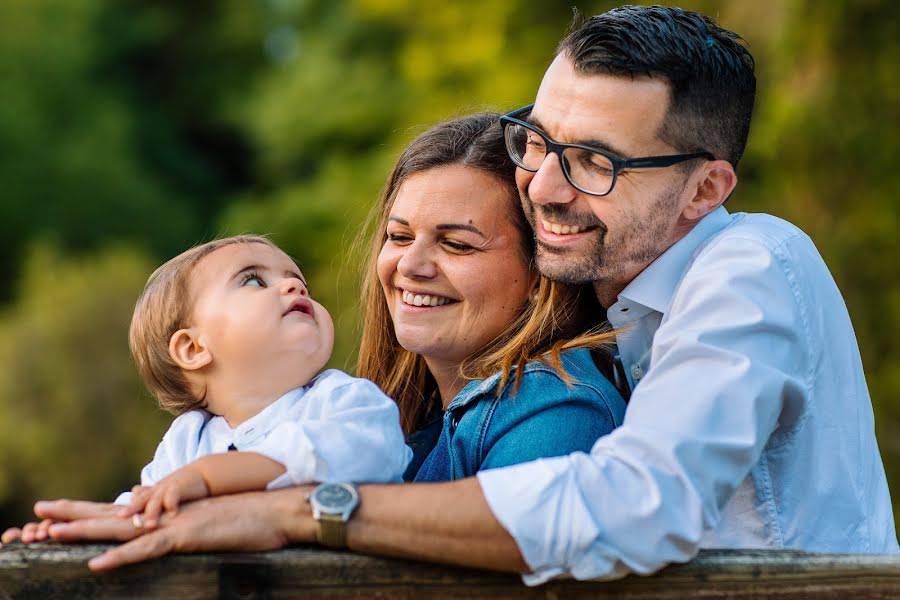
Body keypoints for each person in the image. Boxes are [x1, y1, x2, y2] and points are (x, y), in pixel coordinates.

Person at [5, 5, 897, 582]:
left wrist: (293, 509)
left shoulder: (748, 270)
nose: (544, 186)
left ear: (706, 190)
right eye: (539, 141)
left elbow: (636, 507)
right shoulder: (609, 319)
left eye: (595, 163)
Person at [6, 234, 412, 539]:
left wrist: (208, 477)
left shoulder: (344, 399)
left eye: (297, 278)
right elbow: (149, 504)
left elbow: (369, 452)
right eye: (254, 281)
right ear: (193, 347)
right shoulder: (189, 439)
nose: (295, 286)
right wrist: (76, 530)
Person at [356, 113, 626, 481]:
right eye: (399, 237)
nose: (411, 265)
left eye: (457, 244)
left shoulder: (557, 407)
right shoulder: (409, 419)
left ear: (540, 273)